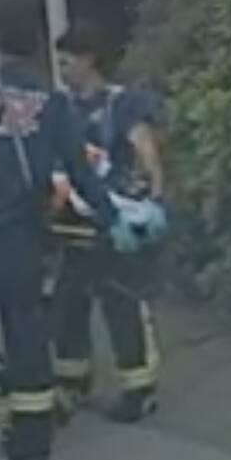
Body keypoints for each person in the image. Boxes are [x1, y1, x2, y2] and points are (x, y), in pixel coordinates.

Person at [0, 19, 136, 460]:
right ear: (39, 54)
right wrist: (113, 222)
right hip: (24, 247)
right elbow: (82, 174)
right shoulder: (56, 105)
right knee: (29, 356)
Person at [52, 28, 168, 423]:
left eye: (66, 62)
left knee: (122, 302)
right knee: (68, 301)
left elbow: (146, 148)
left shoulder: (121, 104)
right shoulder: (62, 109)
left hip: (116, 219)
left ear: (88, 59)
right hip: (75, 221)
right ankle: (72, 380)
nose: (61, 70)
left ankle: (138, 390)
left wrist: (154, 202)